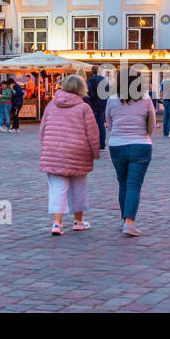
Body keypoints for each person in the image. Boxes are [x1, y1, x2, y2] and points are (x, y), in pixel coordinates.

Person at [40, 73, 101, 235]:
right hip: (78, 152)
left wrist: (46, 147)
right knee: (79, 188)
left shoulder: (52, 105)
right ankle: (78, 221)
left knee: (57, 189)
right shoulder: (84, 108)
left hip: (54, 152)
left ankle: (56, 224)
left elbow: (43, 130)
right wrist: (95, 153)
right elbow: (93, 134)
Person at [105, 66, 155, 237]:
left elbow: (109, 123)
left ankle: (123, 220)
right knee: (134, 185)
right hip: (141, 144)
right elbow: (152, 124)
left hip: (117, 145)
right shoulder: (146, 98)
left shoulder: (112, 99)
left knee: (123, 184)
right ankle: (130, 223)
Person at [85, 65, 109, 148]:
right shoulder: (104, 80)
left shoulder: (90, 80)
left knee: (94, 125)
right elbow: (107, 92)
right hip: (102, 105)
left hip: (93, 105)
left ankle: (94, 144)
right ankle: (102, 144)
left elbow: (89, 93)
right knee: (101, 124)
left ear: (92, 71)